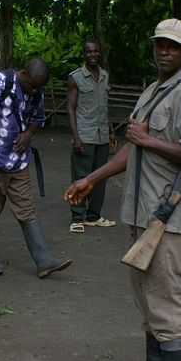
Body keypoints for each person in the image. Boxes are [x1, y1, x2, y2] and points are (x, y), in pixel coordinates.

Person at [64, 19, 181, 361]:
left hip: (169, 215)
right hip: (141, 215)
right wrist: (92, 178)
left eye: (173, 47)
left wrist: (148, 138)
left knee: (166, 299)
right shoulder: (151, 92)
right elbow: (133, 149)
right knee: (146, 296)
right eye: (160, 44)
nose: (164, 51)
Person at [0, 58, 73, 279]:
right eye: (32, 85)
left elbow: (38, 118)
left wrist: (28, 134)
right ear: (24, 73)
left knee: (26, 208)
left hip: (18, 160)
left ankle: (44, 260)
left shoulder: (37, 91)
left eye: (39, 87)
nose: (35, 90)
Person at [67, 39, 118, 233]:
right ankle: (77, 217)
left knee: (100, 177)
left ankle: (93, 216)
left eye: (96, 51)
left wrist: (111, 130)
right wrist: (76, 137)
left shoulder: (104, 76)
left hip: (102, 135)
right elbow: (71, 109)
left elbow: (104, 106)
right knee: (81, 176)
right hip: (85, 135)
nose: (93, 55)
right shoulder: (76, 77)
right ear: (84, 54)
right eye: (89, 52)